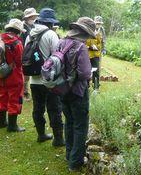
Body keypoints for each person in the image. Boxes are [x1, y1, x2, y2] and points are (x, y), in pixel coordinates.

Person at [59, 17, 95, 171]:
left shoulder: (61, 42)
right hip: (78, 92)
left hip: (62, 89)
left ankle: (69, 155)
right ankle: (75, 162)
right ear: (84, 33)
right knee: (80, 126)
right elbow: (85, 73)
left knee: (69, 122)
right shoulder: (80, 47)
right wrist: (91, 75)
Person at [26, 8, 64, 146]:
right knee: (54, 108)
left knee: (38, 108)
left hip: (34, 79)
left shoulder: (30, 35)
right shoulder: (50, 34)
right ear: (50, 23)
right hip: (49, 80)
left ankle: (41, 134)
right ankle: (58, 139)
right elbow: (57, 57)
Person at [0, 19, 26, 132]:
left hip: (2, 73)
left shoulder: (0, 40)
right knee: (15, 99)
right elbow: (19, 61)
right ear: (17, 31)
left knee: (2, 96)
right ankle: (12, 126)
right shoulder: (17, 43)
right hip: (15, 75)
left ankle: (1, 122)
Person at [21, 8, 39, 101]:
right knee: (25, 75)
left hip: (32, 52)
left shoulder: (33, 26)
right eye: (32, 17)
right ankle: (25, 93)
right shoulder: (22, 28)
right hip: (24, 53)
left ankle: (28, 92)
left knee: (31, 73)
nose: (34, 18)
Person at [86, 16, 106, 90]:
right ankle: (87, 86)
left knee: (96, 70)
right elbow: (85, 41)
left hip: (97, 53)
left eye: (99, 23)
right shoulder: (89, 29)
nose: (98, 25)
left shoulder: (101, 30)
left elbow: (103, 40)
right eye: (97, 23)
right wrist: (89, 47)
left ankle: (96, 87)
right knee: (87, 69)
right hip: (88, 53)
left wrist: (104, 49)